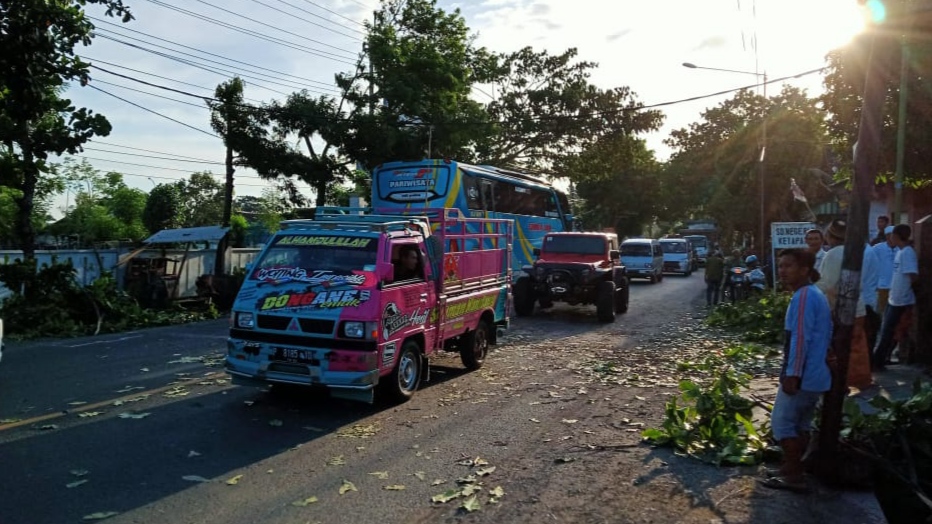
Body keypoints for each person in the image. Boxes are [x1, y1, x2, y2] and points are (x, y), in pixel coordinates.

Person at [760, 248, 832, 493]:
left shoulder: (803, 297)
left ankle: (794, 475)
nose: (782, 271)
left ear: (805, 270)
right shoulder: (815, 295)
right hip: (815, 374)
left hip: (803, 374)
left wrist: (792, 374)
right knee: (801, 424)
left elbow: (799, 339)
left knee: (782, 424)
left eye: (788, 266)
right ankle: (791, 468)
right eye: (780, 266)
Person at [814, 219, 879, 390]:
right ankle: (862, 380)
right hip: (858, 304)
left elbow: (827, 283)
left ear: (829, 236)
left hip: (841, 307)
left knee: (840, 346)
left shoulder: (834, 254)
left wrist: (807, 289)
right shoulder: (861, 250)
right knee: (857, 346)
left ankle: (841, 382)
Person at [871, 224, 918, 370]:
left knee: (890, 331)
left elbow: (913, 275)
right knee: (887, 331)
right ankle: (882, 359)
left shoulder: (908, 253)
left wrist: (908, 293)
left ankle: (879, 361)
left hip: (901, 300)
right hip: (894, 297)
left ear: (896, 236)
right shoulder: (900, 252)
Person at [871, 225, 896, 317]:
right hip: (882, 286)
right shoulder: (877, 248)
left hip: (896, 287)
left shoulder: (900, 249)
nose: (891, 238)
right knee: (882, 313)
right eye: (889, 235)